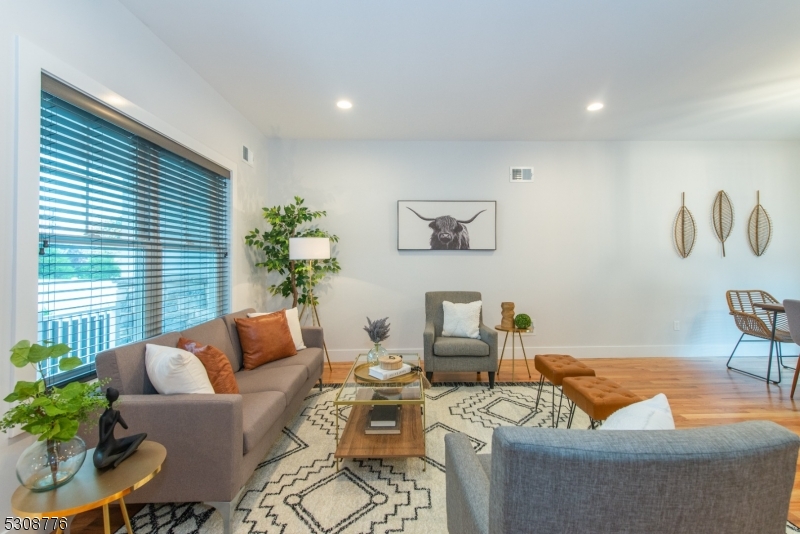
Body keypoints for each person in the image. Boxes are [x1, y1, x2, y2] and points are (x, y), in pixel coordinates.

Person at [93, 387, 147, 469]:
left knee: (143, 435)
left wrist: (117, 418)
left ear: (106, 397)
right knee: (100, 463)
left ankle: (119, 459)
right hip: (105, 448)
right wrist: (115, 421)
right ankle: (123, 454)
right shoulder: (104, 418)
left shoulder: (111, 415)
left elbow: (125, 426)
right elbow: (102, 440)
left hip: (114, 443)